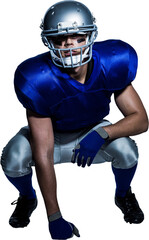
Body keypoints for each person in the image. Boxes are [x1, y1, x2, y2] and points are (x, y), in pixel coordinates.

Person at [1, 0, 148, 239]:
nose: (69, 45)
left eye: (78, 36)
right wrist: (54, 217)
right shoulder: (37, 78)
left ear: (91, 36)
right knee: (13, 159)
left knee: (128, 151)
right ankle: (28, 198)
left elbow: (141, 120)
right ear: (49, 41)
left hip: (93, 131)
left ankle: (123, 194)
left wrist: (103, 133)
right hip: (53, 137)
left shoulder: (112, 62)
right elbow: (44, 153)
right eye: (60, 39)